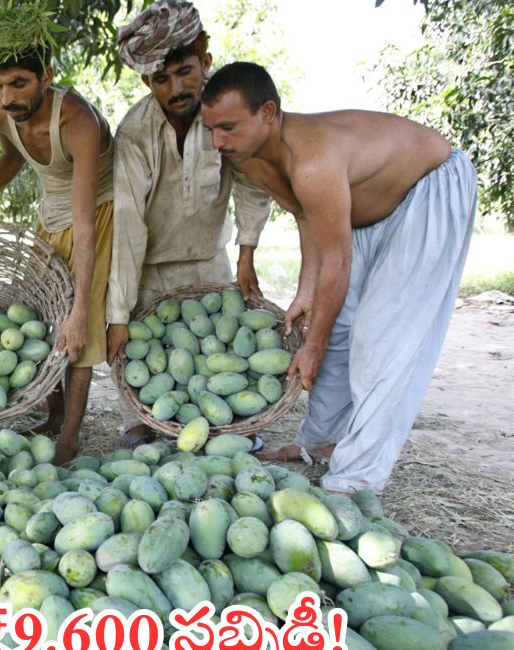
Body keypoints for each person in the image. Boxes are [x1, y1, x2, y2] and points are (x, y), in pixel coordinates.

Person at [200, 62, 477, 495]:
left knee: (380, 341)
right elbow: (306, 217)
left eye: (229, 127)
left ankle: (354, 480)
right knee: (339, 326)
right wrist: (305, 292)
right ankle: (318, 442)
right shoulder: (252, 161)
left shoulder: (312, 161)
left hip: (427, 187)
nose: (218, 142)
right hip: (368, 214)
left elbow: (338, 262)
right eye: (211, 129)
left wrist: (313, 345)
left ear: (268, 113)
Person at [106, 0, 272, 448]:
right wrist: (118, 314)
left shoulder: (225, 117)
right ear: (146, 81)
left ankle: (226, 437)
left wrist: (247, 253)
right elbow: (127, 223)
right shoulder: (135, 134)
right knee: (149, 377)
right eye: (161, 79)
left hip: (209, 264)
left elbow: (251, 186)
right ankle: (142, 430)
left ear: (206, 58)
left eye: (184, 72)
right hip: (149, 272)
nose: (176, 88)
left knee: (213, 368)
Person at [0, 43, 115, 464]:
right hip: (51, 214)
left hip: (97, 214)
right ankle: (54, 413)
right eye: (0, 85)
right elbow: (11, 157)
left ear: (46, 76)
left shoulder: (78, 122)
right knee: (42, 316)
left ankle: (72, 437)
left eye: (19, 84)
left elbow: (83, 219)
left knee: (82, 326)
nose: (9, 97)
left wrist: (80, 309)